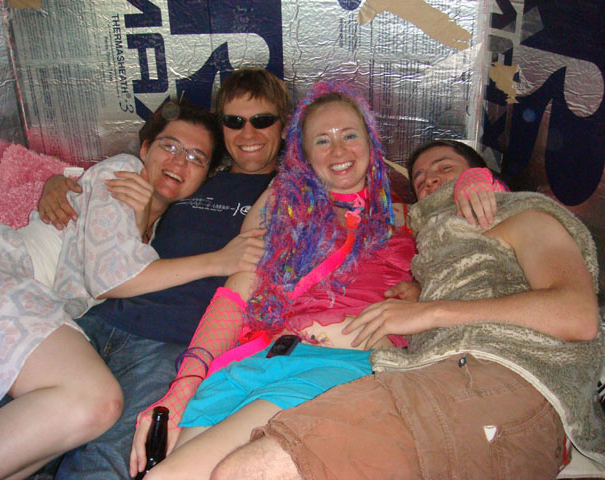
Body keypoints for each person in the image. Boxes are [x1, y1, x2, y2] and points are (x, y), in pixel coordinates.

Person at [209, 139, 605, 480]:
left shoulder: (522, 215)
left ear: (481, 177)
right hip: (436, 378)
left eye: (444, 168)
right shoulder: (432, 251)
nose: (429, 179)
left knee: (251, 469)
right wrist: (421, 295)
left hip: (507, 374)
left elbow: (577, 315)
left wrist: (430, 313)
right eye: (419, 178)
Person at [137, 81, 415, 480]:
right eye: (322, 141)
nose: (338, 151)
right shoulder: (288, 223)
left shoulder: (408, 217)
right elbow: (234, 297)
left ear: (371, 142)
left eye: (350, 135)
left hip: (340, 367)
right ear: (303, 155)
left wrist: (477, 178)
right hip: (255, 366)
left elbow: (480, 229)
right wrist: (184, 386)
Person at [33, 67, 290, 480]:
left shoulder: (288, 192)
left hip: (170, 344)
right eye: (234, 121)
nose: (248, 133)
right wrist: (59, 183)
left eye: (261, 120)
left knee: (102, 462)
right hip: (101, 318)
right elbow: (125, 211)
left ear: (284, 125)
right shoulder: (198, 176)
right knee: (25, 434)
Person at [0, 99, 233, 479]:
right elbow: (113, 278)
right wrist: (219, 261)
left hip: (27, 308)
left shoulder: (162, 227)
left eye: (196, 157)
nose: (178, 161)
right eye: (169, 145)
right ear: (145, 148)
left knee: (60, 432)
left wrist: (139, 224)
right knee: (96, 400)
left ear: (205, 177)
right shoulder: (124, 172)